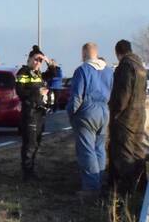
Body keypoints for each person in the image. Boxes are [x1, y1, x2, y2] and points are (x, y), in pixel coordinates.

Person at [67, 43, 113, 194]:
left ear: (84, 54)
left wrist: (72, 113)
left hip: (87, 111)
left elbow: (77, 95)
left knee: (87, 150)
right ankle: (100, 180)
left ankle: (91, 188)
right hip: (104, 111)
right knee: (99, 148)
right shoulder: (108, 71)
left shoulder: (82, 70)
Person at [108, 39, 148, 195]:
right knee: (138, 151)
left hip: (126, 117)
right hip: (140, 114)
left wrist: (116, 111)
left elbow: (122, 94)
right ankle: (142, 186)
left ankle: (126, 191)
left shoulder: (125, 66)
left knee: (124, 153)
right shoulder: (140, 66)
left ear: (118, 52)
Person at [15, 45, 60, 180]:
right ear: (29, 59)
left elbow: (53, 74)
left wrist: (47, 60)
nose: (37, 63)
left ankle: (31, 170)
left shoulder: (39, 74)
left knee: (37, 142)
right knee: (30, 143)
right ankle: (27, 173)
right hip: (30, 113)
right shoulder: (23, 72)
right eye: (35, 59)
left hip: (40, 113)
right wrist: (37, 92)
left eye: (40, 61)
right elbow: (20, 92)